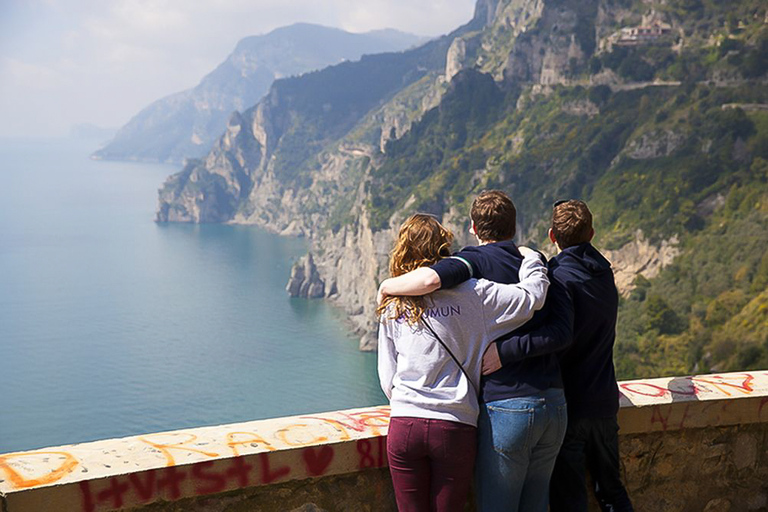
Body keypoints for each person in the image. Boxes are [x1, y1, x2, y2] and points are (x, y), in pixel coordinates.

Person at [378, 191, 573, 512]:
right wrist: (534, 260)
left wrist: (386, 286)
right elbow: (533, 299)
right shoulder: (475, 296)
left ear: (473, 227)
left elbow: (388, 376)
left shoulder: (392, 302)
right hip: (458, 422)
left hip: (406, 421)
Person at [545, 200, 634, 512]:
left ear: (552, 236)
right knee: (612, 492)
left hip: (570, 404)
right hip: (604, 402)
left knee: (570, 500)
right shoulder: (606, 276)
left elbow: (558, 339)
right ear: (592, 233)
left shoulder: (557, 279)